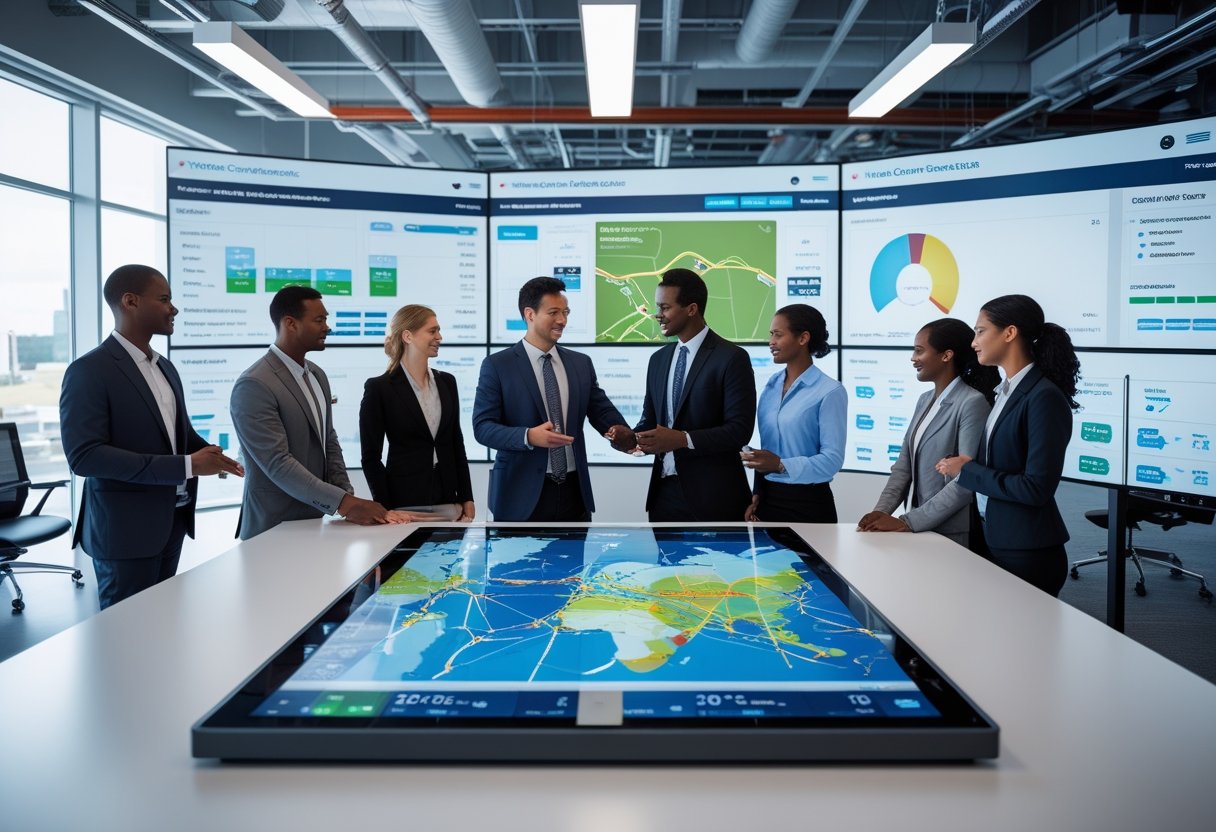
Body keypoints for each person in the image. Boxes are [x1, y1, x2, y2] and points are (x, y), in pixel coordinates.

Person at [60, 264, 244, 609]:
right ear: (130, 301)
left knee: (160, 628)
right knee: (126, 640)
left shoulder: (165, 367)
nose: (173, 308)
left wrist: (206, 451)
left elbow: (178, 434)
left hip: (171, 521)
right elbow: (85, 456)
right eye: (164, 299)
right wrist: (187, 465)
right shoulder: (88, 371)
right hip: (124, 534)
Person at [230, 286, 411, 540]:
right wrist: (346, 503)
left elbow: (328, 439)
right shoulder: (254, 384)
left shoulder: (316, 375)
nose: (327, 327)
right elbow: (277, 463)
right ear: (290, 324)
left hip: (316, 524)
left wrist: (346, 497)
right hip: (271, 530)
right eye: (319, 320)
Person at [935, 294, 1081, 596]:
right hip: (998, 538)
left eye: (980, 331)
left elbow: (1036, 488)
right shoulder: (1005, 391)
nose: (973, 342)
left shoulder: (1043, 397)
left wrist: (968, 470)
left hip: (1028, 551)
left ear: (1010, 333)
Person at [473, 276, 635, 521]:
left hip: (573, 493)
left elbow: (602, 412)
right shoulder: (498, 365)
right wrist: (528, 436)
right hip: (519, 496)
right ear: (530, 314)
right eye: (554, 312)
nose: (562, 320)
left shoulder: (580, 363)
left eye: (566, 312)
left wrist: (620, 432)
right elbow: (483, 428)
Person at [858, 318, 998, 547]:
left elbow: (966, 480)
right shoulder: (924, 400)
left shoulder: (972, 402)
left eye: (919, 351)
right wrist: (880, 514)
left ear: (946, 355)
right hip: (916, 525)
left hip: (948, 532)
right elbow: (903, 468)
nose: (913, 358)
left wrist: (908, 522)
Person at [634, 268, 755, 522]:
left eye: (665, 307)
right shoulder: (658, 360)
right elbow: (651, 420)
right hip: (663, 497)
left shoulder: (732, 358)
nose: (658, 315)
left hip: (715, 500)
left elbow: (739, 430)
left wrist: (681, 439)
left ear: (691, 309)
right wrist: (631, 437)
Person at [359, 305, 474, 522]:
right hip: (404, 507)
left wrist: (467, 496)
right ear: (407, 336)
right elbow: (370, 457)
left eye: (438, 331)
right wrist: (384, 508)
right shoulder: (379, 388)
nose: (439, 337)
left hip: (450, 504)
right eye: (432, 331)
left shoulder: (447, 382)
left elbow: (455, 443)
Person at [742, 304, 846, 523]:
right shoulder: (771, 386)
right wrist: (756, 493)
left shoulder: (830, 391)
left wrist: (781, 464)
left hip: (809, 505)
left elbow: (831, 461)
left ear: (803, 338)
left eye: (778, 335)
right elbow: (768, 449)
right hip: (767, 503)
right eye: (771, 334)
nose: (771, 342)